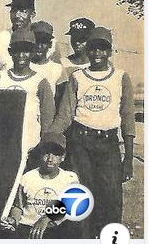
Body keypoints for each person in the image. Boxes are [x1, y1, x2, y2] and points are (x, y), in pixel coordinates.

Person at [48, 27, 135, 238]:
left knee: (111, 198)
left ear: (110, 51)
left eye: (103, 49)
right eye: (93, 48)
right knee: (80, 195)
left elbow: (128, 119)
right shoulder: (78, 77)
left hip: (108, 143)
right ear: (88, 50)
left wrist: (129, 158)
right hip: (81, 141)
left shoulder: (121, 78)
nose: (97, 53)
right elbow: (65, 115)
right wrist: (49, 139)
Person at [0, 29, 55, 222]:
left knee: (22, 198)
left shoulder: (40, 82)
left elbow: (47, 122)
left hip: (29, 149)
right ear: (10, 52)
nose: (22, 55)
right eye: (17, 50)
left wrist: (42, 149)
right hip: (2, 147)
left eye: (26, 50)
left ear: (33, 52)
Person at [0, 133, 79, 239]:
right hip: (28, 229)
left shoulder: (70, 179)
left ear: (62, 157)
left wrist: (47, 218)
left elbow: (72, 205)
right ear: (40, 154)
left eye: (55, 154)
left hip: (55, 230)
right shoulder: (27, 178)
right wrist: (13, 220)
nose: (50, 158)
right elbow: (18, 207)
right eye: (46, 153)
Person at [0, 0, 60, 71]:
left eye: (22, 11)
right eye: (14, 10)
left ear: (32, 14)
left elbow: (56, 74)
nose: (17, 15)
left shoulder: (46, 41)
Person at [30, 21, 65, 97]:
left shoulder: (57, 69)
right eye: (36, 41)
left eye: (44, 42)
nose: (39, 46)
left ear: (50, 45)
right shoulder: (23, 66)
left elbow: (60, 99)